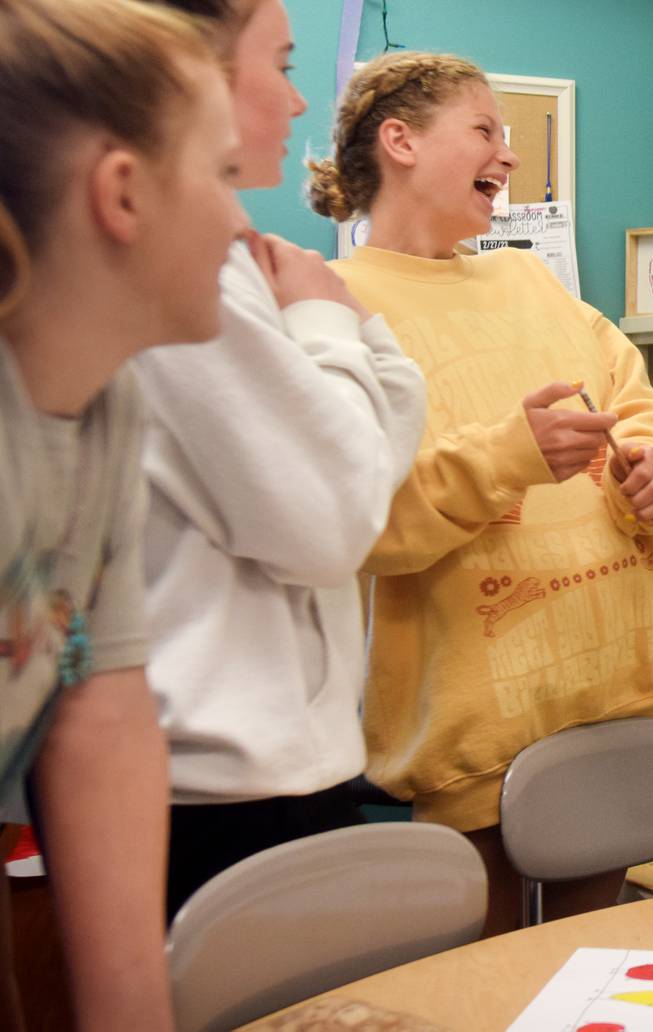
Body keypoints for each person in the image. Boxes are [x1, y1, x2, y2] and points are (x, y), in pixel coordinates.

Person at [307, 51, 653, 934]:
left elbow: (636, 401)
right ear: (401, 141)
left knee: (591, 954)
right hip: (479, 716)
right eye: (485, 131)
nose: (507, 156)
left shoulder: (524, 278)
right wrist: (509, 455)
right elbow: (360, 522)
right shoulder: (335, 304)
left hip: (624, 683)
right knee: (488, 971)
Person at [133, 0, 428, 920]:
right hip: (218, 779)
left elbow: (374, 451)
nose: (301, 105)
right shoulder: (191, 257)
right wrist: (326, 320)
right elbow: (334, 517)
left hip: (261, 762)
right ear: (197, 73)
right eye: (285, 64)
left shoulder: (233, 259)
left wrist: (335, 327)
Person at [0, 0, 246, 1025]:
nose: (242, 219)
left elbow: (100, 719)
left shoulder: (102, 401)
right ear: (122, 191)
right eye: (224, 174)